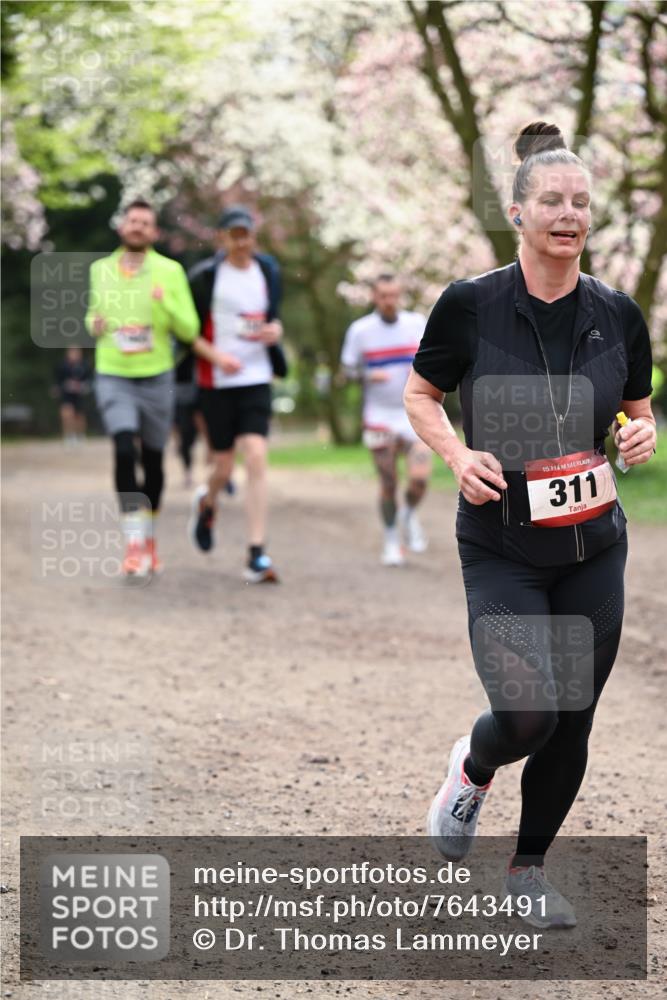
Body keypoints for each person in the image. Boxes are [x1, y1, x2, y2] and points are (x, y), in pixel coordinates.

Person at [404, 122, 656, 928]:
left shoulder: (618, 313)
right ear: (517, 211)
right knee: (526, 714)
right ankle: (471, 771)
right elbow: (420, 396)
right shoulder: (469, 305)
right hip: (501, 543)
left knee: (571, 716)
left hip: (592, 545)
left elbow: (635, 415)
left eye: (580, 202)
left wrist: (641, 435)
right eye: (550, 200)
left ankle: (526, 869)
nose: (568, 213)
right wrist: (454, 452)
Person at [86, 199, 234, 577]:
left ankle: (148, 536)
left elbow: (188, 329)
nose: (137, 227)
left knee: (152, 460)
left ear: (153, 232)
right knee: (122, 447)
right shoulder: (100, 270)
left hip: (157, 376)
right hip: (113, 372)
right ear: (123, 227)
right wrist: (94, 323)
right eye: (132, 221)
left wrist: (163, 302)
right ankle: (133, 544)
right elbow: (93, 314)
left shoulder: (170, 272)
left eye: (145, 223)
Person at [187, 204, 286, 583]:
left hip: (257, 377)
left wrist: (275, 330)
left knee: (257, 457)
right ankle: (207, 501)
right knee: (224, 466)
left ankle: (257, 553)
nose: (242, 241)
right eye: (234, 234)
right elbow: (188, 331)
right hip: (217, 381)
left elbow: (272, 316)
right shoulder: (207, 276)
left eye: (246, 234)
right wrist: (217, 357)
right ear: (222, 238)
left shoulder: (268, 270)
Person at [340, 275, 432, 566]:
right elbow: (345, 374)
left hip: (414, 412)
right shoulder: (361, 331)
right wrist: (367, 375)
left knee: (419, 479)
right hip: (379, 416)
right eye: (383, 296)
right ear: (374, 297)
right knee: (389, 481)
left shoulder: (416, 323)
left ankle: (408, 514)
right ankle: (392, 538)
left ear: (400, 295)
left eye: (394, 295)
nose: (389, 301)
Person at [54, 346, 91, 446]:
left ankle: (80, 435)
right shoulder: (63, 366)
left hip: (79, 394)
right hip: (66, 394)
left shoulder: (84, 365)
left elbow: (89, 381)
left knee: (79, 416)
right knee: (67, 414)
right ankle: (69, 435)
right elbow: (58, 381)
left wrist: (83, 386)